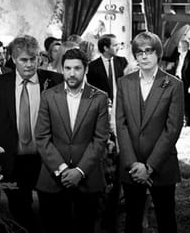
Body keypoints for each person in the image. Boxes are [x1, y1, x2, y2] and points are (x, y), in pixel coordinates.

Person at [0, 35, 63, 233]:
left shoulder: (54, 81)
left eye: (33, 59)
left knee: (51, 210)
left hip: (46, 160)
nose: (29, 64)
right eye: (23, 60)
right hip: (11, 161)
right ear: (14, 59)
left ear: (39, 58)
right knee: (19, 211)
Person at [35, 49, 110, 233]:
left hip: (88, 177)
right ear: (62, 69)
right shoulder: (48, 95)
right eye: (67, 68)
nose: (72, 73)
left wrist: (79, 171)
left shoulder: (99, 97)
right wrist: (61, 169)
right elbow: (42, 137)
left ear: (86, 69)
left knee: (86, 227)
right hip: (53, 177)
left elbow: (100, 139)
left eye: (77, 68)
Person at [116, 31, 184, 233]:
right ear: (135, 55)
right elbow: (121, 124)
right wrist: (133, 163)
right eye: (139, 52)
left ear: (158, 54)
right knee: (132, 219)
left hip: (161, 164)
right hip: (132, 165)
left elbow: (172, 129)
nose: (144, 56)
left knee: (166, 219)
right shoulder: (124, 83)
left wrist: (150, 166)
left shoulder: (173, 85)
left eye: (149, 51)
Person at [86, 34, 129, 233]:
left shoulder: (122, 62)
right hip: (102, 112)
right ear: (105, 48)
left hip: (120, 109)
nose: (118, 47)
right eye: (115, 44)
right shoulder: (93, 67)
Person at [165, 39, 190, 127]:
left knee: (188, 102)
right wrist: (157, 56)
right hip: (177, 79)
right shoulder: (177, 55)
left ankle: (189, 121)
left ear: (185, 47)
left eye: (180, 46)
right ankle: (180, 120)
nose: (178, 48)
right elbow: (169, 59)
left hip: (186, 82)